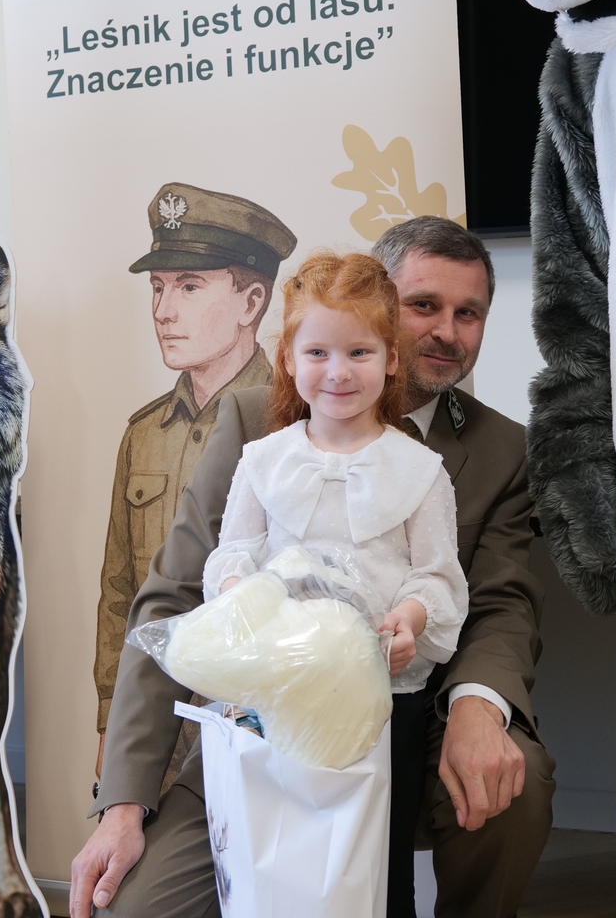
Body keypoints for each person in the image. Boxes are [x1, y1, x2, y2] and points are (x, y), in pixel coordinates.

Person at [75, 216, 553, 918]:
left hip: (410, 719)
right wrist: (122, 804)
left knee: (515, 783)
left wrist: (478, 706)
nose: (447, 332)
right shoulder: (252, 427)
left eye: (469, 313)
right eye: (424, 305)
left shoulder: (500, 449)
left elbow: (501, 601)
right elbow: (171, 598)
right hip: (262, 724)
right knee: (140, 908)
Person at [204, 251, 470, 909]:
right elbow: (233, 556)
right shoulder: (264, 462)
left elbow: (436, 577)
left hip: (385, 701)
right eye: (318, 352)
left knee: (377, 860)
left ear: (391, 359)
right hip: (281, 694)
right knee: (283, 855)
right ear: (289, 359)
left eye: (359, 352)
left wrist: (409, 621)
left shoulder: (421, 472)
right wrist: (243, 597)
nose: (338, 371)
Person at [93, 183, 298, 755]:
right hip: (155, 722)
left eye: (188, 286)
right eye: (158, 288)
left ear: (251, 304)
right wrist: (111, 721)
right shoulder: (145, 434)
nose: (163, 311)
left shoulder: (295, 425)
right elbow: (119, 592)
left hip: (260, 722)